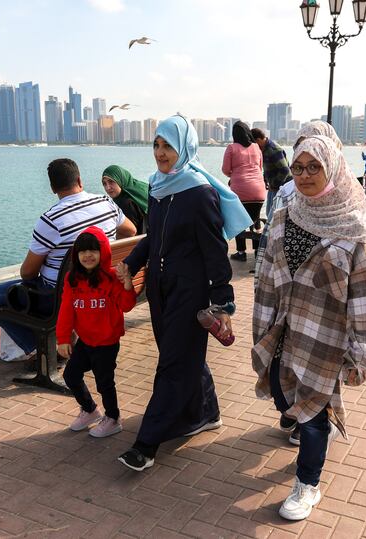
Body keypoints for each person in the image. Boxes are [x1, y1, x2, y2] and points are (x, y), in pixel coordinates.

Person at [252, 135, 366, 521]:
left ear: (333, 169)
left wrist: (361, 352)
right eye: (298, 167)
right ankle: (308, 425)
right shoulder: (283, 214)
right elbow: (267, 273)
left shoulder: (352, 228)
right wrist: (260, 323)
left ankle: (308, 484)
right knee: (280, 395)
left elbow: (364, 295)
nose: (305, 175)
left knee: (312, 416)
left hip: (325, 336)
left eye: (314, 167)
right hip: (283, 329)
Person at [116, 115, 251, 472]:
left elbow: (213, 251)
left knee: (173, 365)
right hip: (160, 291)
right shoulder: (158, 186)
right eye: (156, 145)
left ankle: (146, 444)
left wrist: (222, 302)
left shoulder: (198, 192)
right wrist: (131, 261)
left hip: (190, 293)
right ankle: (206, 413)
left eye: (168, 146)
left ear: (185, 148)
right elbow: (153, 236)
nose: (160, 153)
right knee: (183, 356)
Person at [0, 158, 136, 359]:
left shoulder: (51, 220)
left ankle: (40, 348)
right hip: (102, 288)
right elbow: (130, 231)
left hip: (60, 297)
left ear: (53, 188)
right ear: (80, 180)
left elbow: (27, 273)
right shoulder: (105, 203)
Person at [57, 227, 138, 438]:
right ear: (76, 255)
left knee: (104, 383)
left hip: (107, 342)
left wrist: (128, 284)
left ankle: (113, 418)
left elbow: (127, 305)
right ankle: (90, 410)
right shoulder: (71, 279)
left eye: (93, 250)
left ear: (103, 252)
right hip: (85, 340)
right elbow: (66, 310)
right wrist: (63, 338)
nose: (88, 255)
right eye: (82, 251)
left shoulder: (112, 277)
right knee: (70, 375)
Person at [254, 121, 344, 282]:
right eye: (302, 148)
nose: (305, 175)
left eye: (315, 164)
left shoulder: (350, 200)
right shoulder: (286, 195)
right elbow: (266, 251)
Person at [222, 121, 266, 262]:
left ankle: (241, 253)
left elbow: (225, 169)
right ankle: (257, 250)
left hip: (240, 191)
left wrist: (234, 175)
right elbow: (259, 167)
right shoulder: (256, 147)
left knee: (239, 221)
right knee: (255, 219)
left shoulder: (231, 148)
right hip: (259, 190)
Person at [251, 127, 292, 216]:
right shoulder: (264, 149)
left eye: (253, 143)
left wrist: (274, 184)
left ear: (258, 140)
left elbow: (285, 170)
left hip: (282, 186)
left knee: (274, 214)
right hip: (274, 186)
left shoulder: (273, 150)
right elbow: (268, 168)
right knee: (269, 213)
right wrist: (265, 180)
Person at [101, 165, 149, 234]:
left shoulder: (125, 203)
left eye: (111, 181)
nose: (108, 187)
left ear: (120, 180)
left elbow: (129, 233)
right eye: (104, 184)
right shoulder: (141, 188)